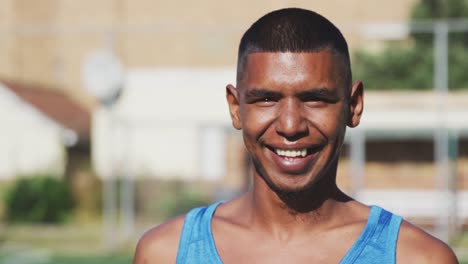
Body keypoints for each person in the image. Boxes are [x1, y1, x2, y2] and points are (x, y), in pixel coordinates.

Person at [133, 8, 458, 263]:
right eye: (266, 99)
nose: (290, 126)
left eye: (315, 98)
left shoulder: (417, 257)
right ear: (235, 108)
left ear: (353, 106)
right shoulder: (166, 253)